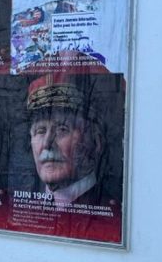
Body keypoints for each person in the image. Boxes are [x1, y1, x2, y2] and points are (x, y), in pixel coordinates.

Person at [26, 73, 114, 206]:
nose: (46, 143)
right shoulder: (29, 210)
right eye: (40, 131)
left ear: (96, 142)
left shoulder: (110, 219)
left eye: (62, 129)